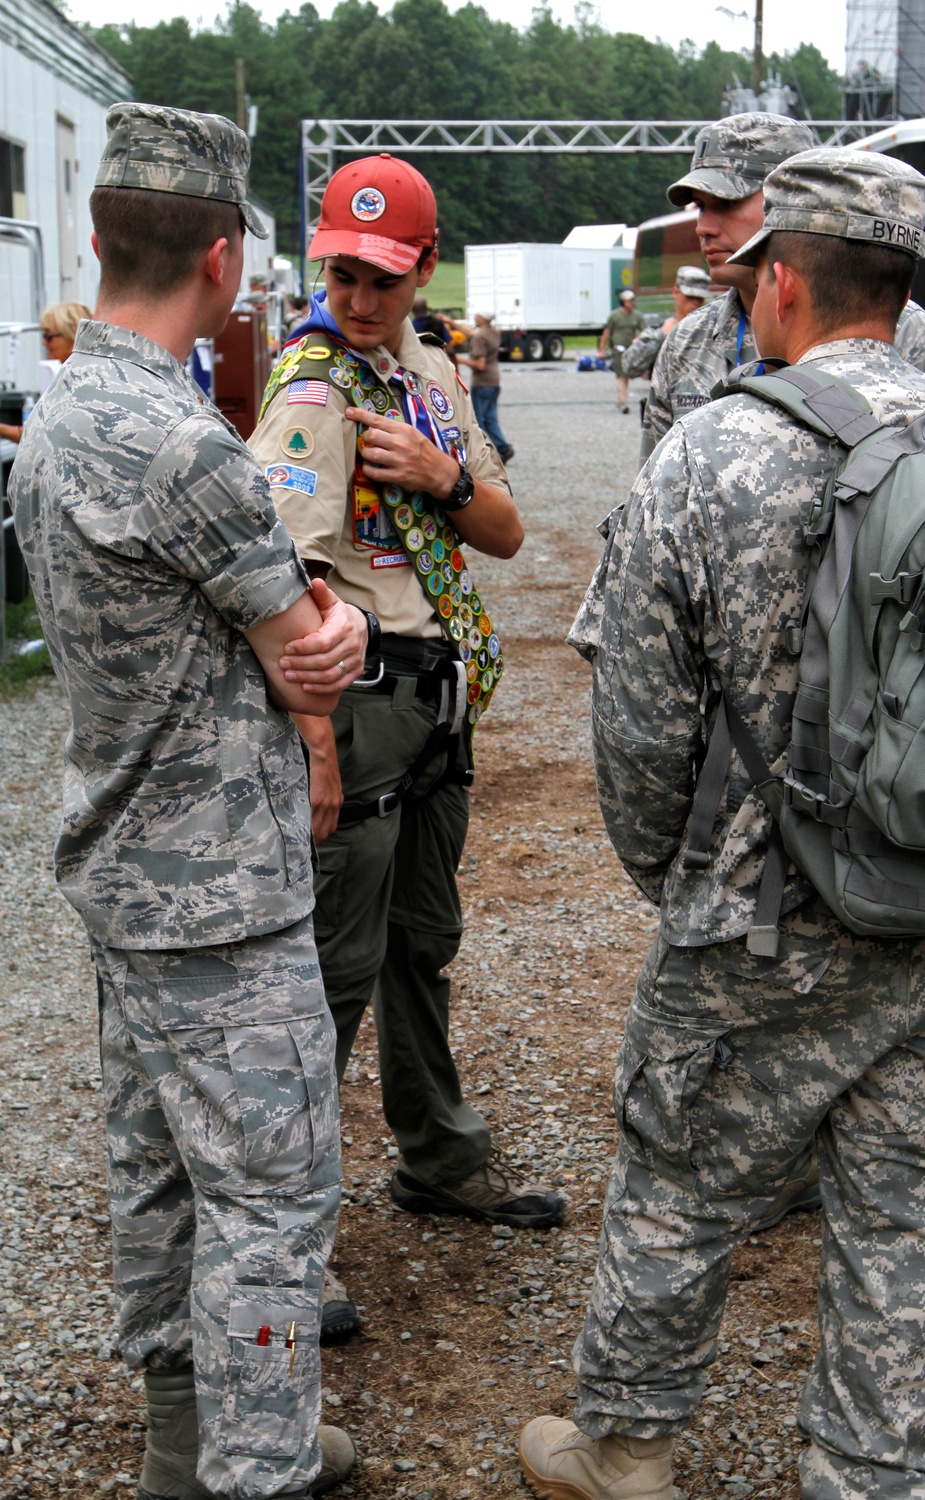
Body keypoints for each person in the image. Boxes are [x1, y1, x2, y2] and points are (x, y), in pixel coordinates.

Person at [520, 146, 925, 1500]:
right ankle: (871, 1473)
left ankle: (626, 1450)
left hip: (757, 916)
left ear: (780, 282)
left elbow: (640, 734)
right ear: (899, 282)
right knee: (914, 1222)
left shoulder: (712, 450)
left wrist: (678, 875)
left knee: (679, 1175)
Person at [10, 101, 370, 1500]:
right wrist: (324, 638)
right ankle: (261, 1469)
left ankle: (184, 1451)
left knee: (159, 1176)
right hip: (221, 890)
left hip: (126, 871)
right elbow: (308, 657)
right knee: (272, 1205)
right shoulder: (183, 446)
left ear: (99, 241)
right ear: (223, 260)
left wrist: (303, 630)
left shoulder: (58, 418)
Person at [248, 152, 564, 1342]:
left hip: (438, 699)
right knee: (328, 972)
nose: (357, 295)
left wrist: (438, 474)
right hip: (360, 697)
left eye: (382, 276)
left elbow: (507, 532)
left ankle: (437, 1153)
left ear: (424, 268)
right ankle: (287, 1238)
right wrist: (316, 750)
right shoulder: (314, 395)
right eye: (340, 271)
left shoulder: (426, 372)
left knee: (420, 944)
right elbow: (276, 588)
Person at [639, 112, 925, 466]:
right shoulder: (687, 344)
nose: (703, 227)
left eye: (727, 203)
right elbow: (653, 487)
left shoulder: (904, 330)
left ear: (792, 200)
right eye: (700, 207)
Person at [0, 300, 92, 443]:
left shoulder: (81, 382)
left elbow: (40, 436)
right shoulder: (80, 374)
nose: (44, 342)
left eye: (48, 336)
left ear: (72, 336)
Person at [620, 266, 713, 383]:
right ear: (675, 292)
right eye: (689, 296)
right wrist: (660, 336)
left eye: (700, 297)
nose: (695, 302)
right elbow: (629, 367)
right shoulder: (659, 332)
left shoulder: (713, 331)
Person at [456, 307, 514, 462]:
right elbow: (470, 333)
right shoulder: (493, 332)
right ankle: (504, 448)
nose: (474, 317)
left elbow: (480, 365)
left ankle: (483, 455)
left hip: (482, 382)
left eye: (476, 315)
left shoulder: (479, 337)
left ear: (481, 318)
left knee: (479, 421)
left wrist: (460, 360)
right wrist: (449, 322)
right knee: (491, 418)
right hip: (495, 380)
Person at [598, 287, 646, 413]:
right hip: (618, 348)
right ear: (623, 301)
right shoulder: (614, 316)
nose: (631, 302)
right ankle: (622, 401)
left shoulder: (637, 316)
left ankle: (621, 400)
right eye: (628, 300)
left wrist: (638, 341)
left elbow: (644, 332)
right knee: (621, 376)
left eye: (632, 300)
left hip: (631, 349)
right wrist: (601, 350)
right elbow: (607, 333)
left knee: (627, 375)